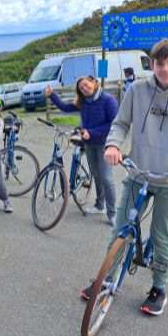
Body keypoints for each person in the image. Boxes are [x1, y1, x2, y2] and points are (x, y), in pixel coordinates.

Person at [80, 37, 168, 316]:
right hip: (137, 173)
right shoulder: (137, 90)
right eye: (159, 63)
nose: (164, 69)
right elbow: (121, 123)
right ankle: (107, 278)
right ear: (152, 64)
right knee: (119, 230)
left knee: (161, 238)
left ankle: (158, 288)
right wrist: (113, 144)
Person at [45, 77, 119, 225]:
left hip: (105, 144)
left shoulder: (108, 100)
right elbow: (65, 107)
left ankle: (113, 214)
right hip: (89, 144)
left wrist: (91, 132)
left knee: (107, 179)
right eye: (81, 88)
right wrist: (51, 95)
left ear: (93, 82)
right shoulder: (84, 101)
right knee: (97, 176)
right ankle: (99, 205)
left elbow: (114, 124)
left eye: (86, 85)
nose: (84, 89)